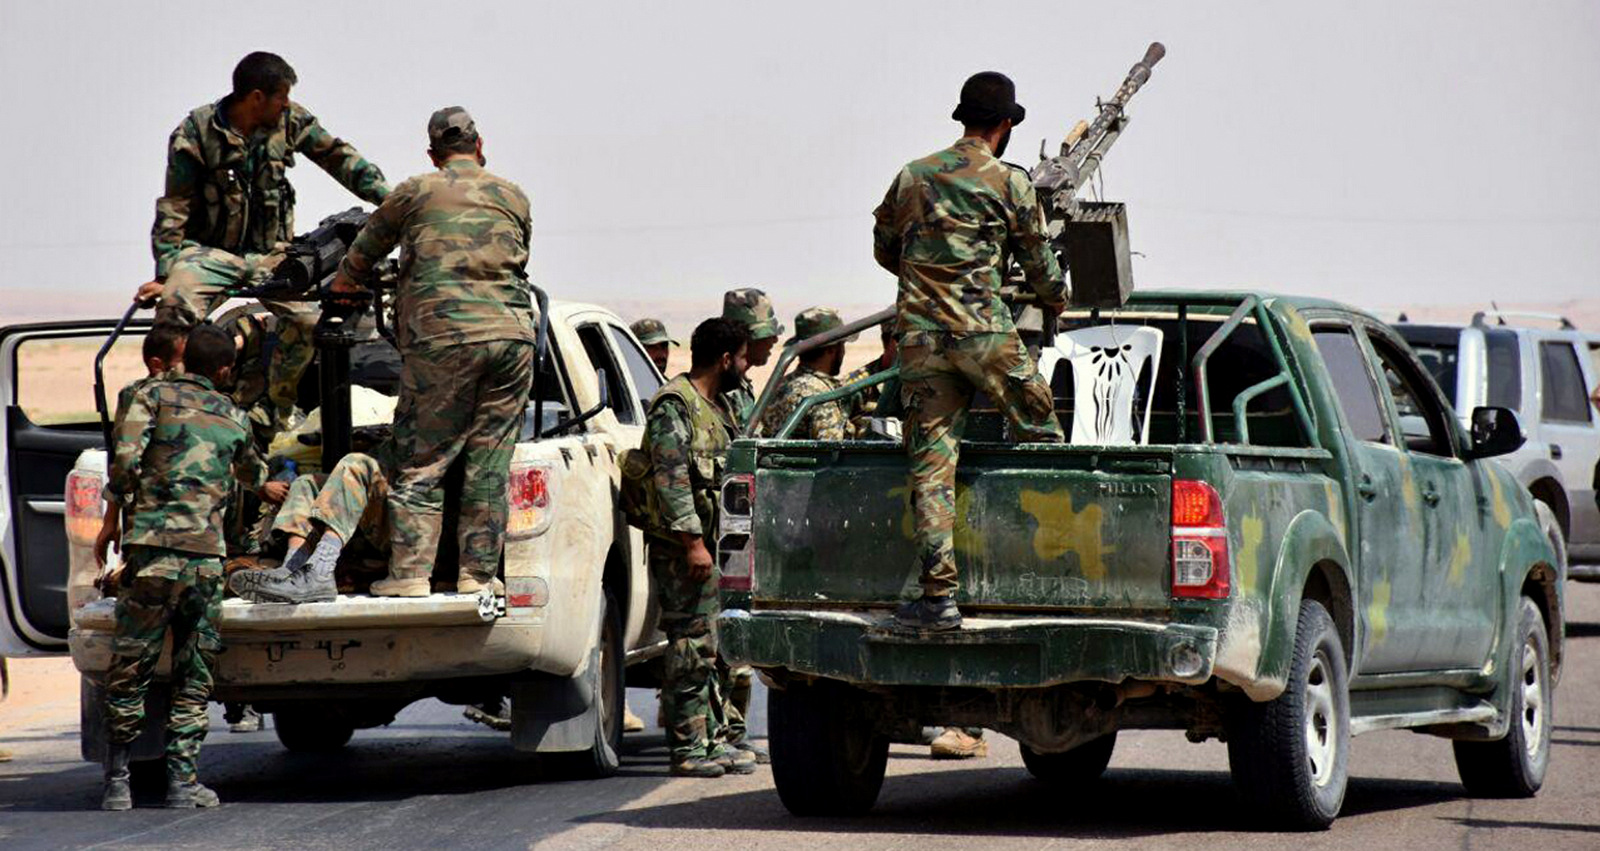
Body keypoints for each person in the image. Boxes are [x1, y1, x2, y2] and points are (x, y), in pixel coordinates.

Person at [873, 71, 1067, 631]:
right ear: (1004, 126)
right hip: (985, 335)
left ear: (964, 119)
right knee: (1042, 431)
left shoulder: (912, 176)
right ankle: (1056, 574)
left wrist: (930, 276)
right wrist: (1057, 298)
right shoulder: (1010, 182)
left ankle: (939, 600)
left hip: (921, 341)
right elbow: (1039, 265)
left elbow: (887, 249)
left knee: (932, 469)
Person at [328, 107, 535, 598]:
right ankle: (477, 576)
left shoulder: (415, 190)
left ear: (433, 154)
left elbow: (365, 250)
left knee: (425, 461)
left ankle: (409, 576)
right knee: (489, 463)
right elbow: (519, 254)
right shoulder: (513, 195)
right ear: (480, 145)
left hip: (443, 341)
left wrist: (344, 284)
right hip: (512, 338)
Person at [134, 51, 389, 438]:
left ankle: (270, 416)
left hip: (274, 255)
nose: (286, 104)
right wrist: (165, 273)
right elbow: (174, 208)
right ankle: (173, 418)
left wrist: (392, 202)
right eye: (280, 97)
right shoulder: (195, 133)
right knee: (174, 313)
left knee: (307, 320)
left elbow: (340, 159)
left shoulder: (290, 122)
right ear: (256, 97)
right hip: (210, 254)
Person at [99, 323, 283, 810]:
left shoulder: (149, 397)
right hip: (204, 561)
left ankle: (118, 783)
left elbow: (123, 464)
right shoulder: (233, 414)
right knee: (193, 672)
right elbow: (254, 477)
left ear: (182, 359)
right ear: (224, 370)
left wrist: (112, 518)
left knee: (130, 665)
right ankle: (183, 784)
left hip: (152, 552)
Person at [643, 318, 757, 777]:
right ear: (726, 359)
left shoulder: (719, 407)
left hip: (716, 549)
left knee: (712, 649)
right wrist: (692, 543)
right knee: (690, 649)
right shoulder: (676, 406)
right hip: (686, 552)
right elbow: (670, 481)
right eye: (744, 357)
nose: (747, 367)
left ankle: (710, 741)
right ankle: (688, 749)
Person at [229, 447, 394, 603]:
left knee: (356, 464)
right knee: (306, 482)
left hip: (407, 529)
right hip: (392, 508)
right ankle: (292, 570)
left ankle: (320, 573)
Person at [94, 324, 187, 573]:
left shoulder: (202, 394)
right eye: (184, 360)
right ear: (157, 365)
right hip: (153, 523)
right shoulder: (139, 395)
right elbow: (124, 459)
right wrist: (111, 519)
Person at [756, 307, 855, 440]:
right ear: (831, 349)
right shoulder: (821, 396)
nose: (843, 352)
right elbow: (832, 454)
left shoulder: (780, 385)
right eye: (842, 345)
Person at [717, 288, 784, 430]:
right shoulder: (722, 388)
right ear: (749, 338)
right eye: (767, 335)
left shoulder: (741, 384)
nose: (775, 340)